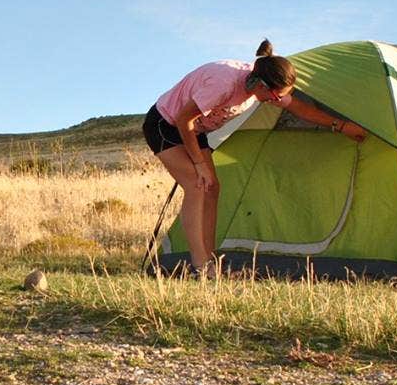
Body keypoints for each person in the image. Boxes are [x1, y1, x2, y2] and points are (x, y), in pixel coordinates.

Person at [143, 40, 368, 274]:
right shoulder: (224, 83)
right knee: (196, 185)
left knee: (212, 188)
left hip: (196, 130)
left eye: (278, 97)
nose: (274, 101)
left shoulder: (264, 84)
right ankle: (201, 267)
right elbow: (183, 119)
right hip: (166, 124)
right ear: (259, 84)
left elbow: (299, 108)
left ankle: (211, 262)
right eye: (272, 96)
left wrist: (340, 125)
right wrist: (199, 164)